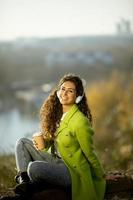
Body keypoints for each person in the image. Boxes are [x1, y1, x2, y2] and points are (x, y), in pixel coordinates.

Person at [13, 74, 106, 200]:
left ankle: (33, 184)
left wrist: (102, 176)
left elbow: (89, 153)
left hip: (71, 172)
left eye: (70, 91)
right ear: (58, 92)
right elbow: (56, 147)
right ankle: (23, 181)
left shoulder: (80, 122)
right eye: (63, 89)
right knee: (22, 142)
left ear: (78, 97)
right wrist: (44, 143)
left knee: (34, 167)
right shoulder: (59, 116)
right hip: (56, 161)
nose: (65, 93)